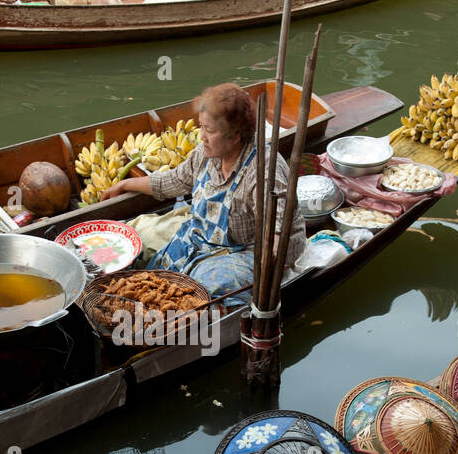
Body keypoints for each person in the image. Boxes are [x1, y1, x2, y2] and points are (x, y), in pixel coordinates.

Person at [100, 83, 306, 299]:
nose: (201, 136)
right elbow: (174, 180)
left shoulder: (263, 171)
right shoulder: (206, 153)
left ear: (235, 136)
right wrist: (124, 185)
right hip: (205, 238)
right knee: (154, 269)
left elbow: (277, 233)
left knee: (209, 289)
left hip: (247, 250)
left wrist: (267, 271)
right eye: (201, 127)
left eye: (209, 130)